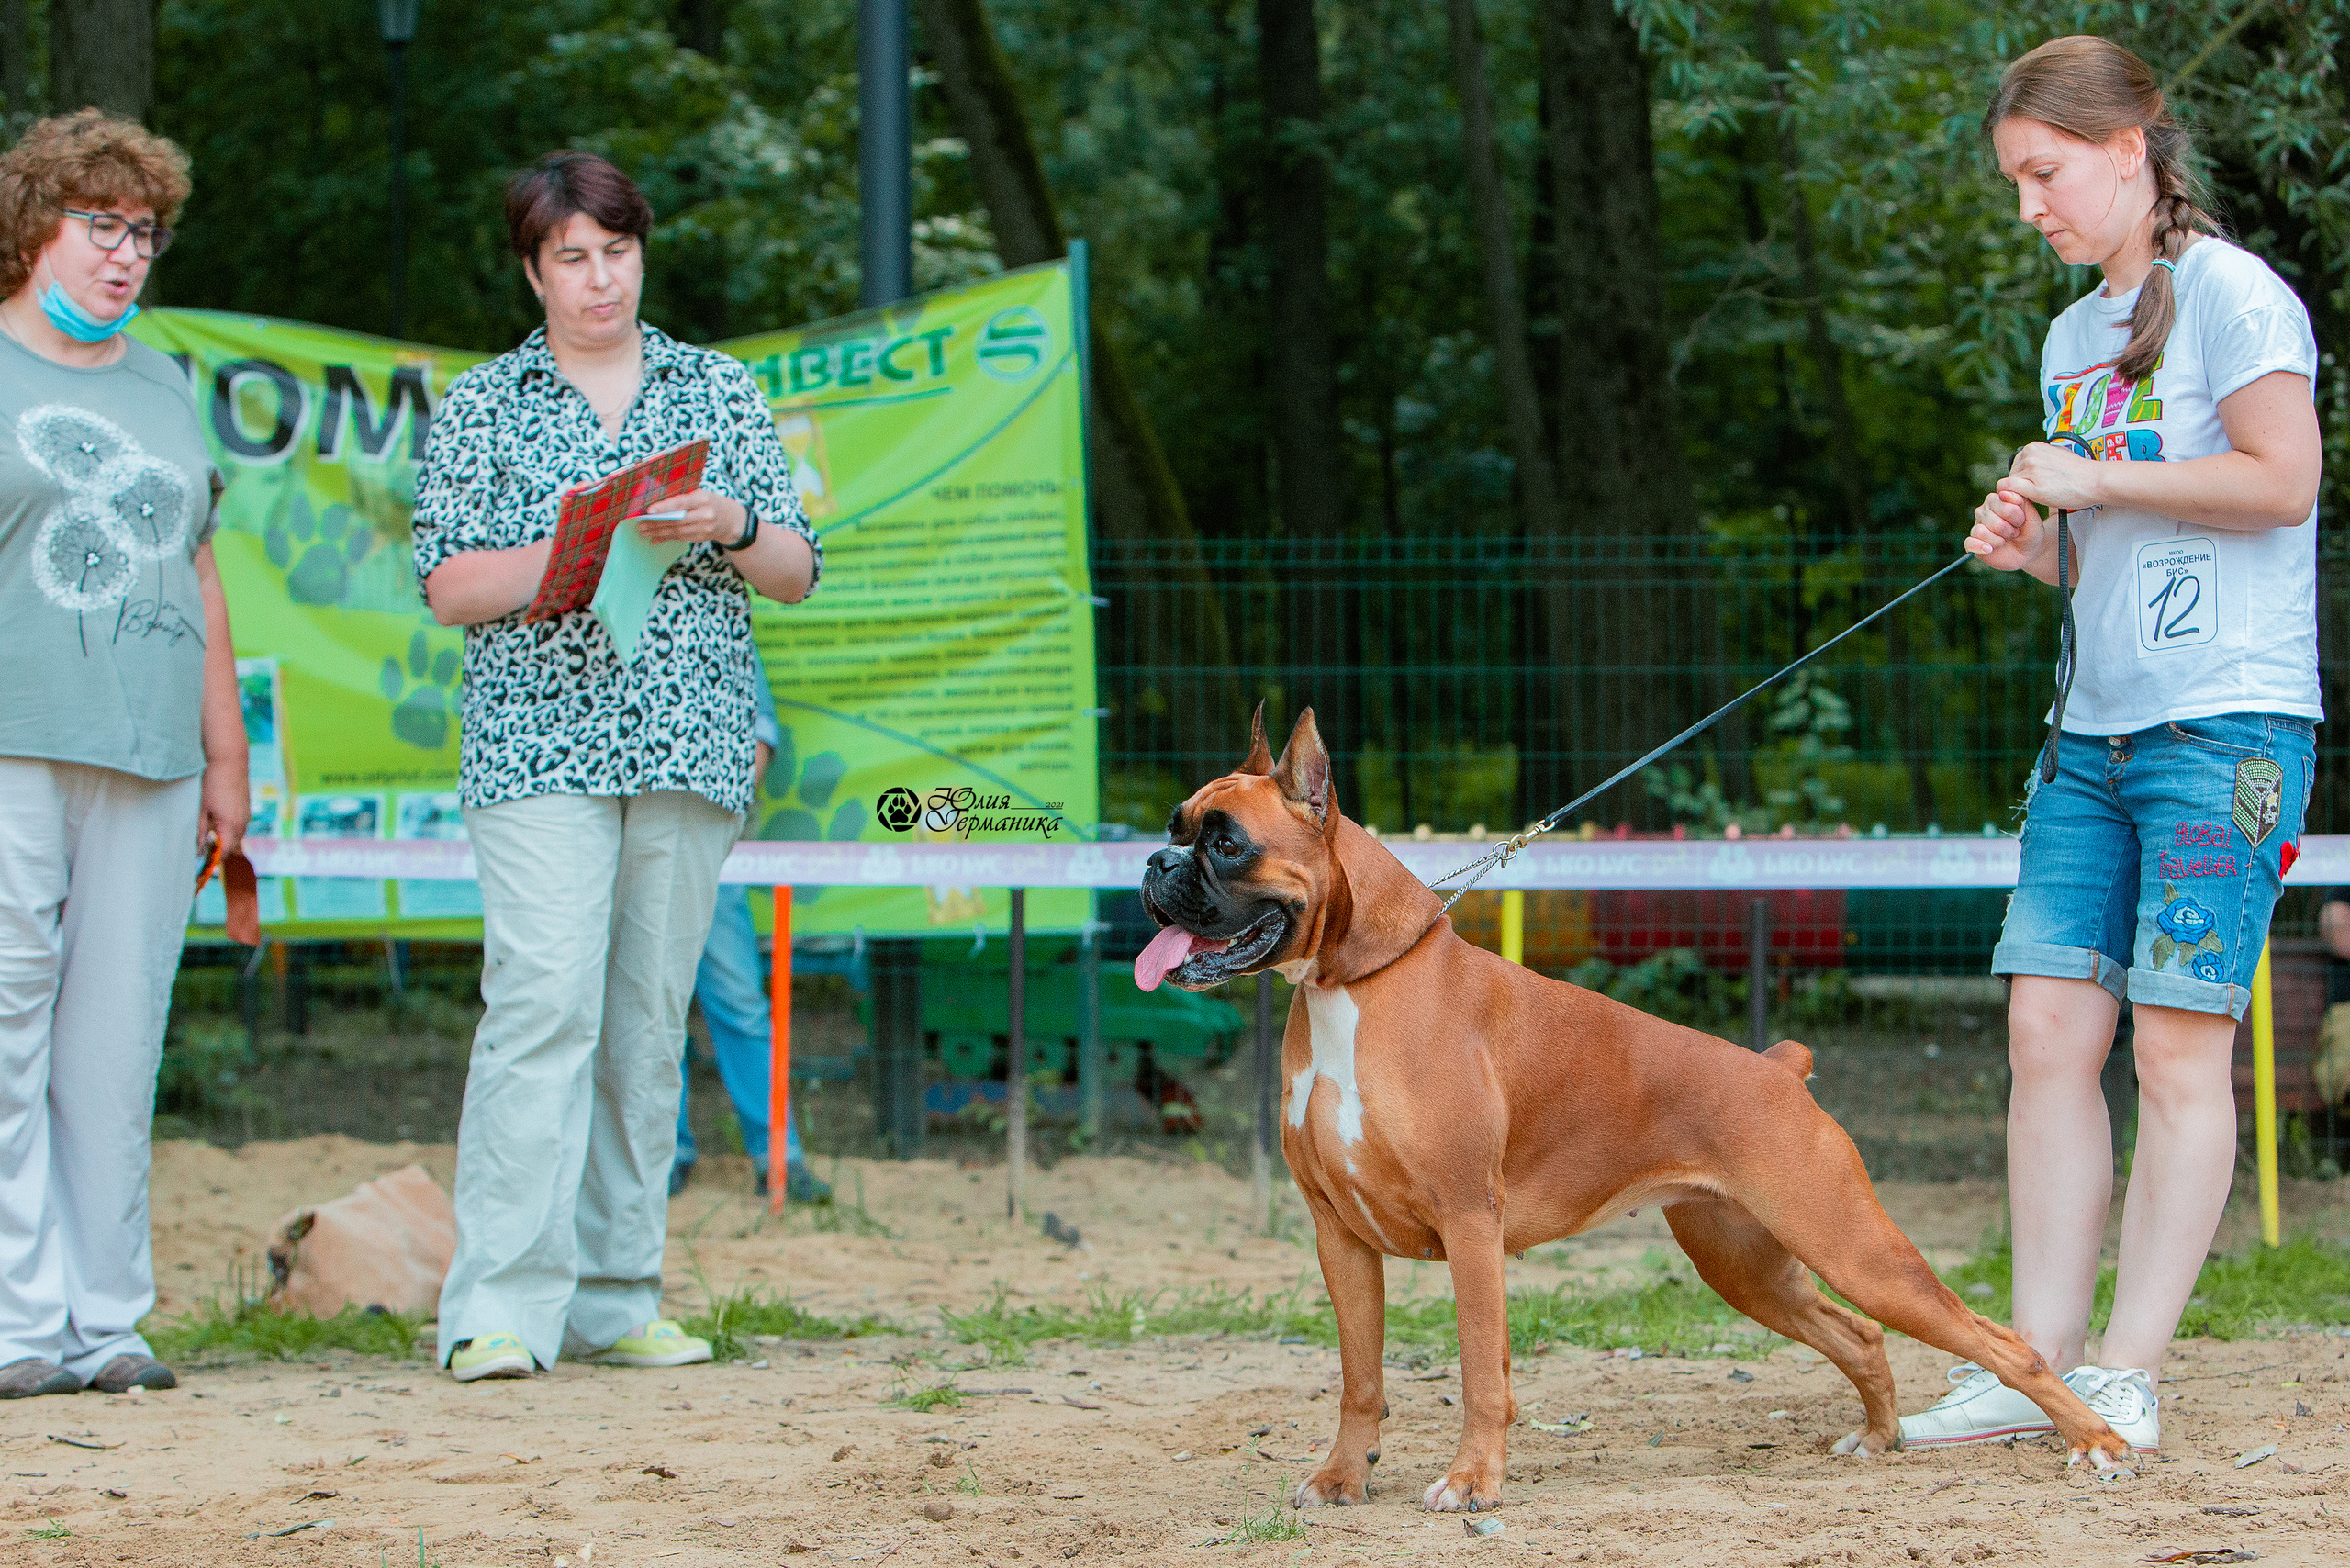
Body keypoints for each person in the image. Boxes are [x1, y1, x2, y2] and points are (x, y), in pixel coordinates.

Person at [1901, 36, 2322, 1455]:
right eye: (2016, 181)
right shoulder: (2072, 338)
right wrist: (2034, 548)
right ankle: (2036, 1368)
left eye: (2046, 173)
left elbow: (2285, 480)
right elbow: (2105, 558)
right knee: (2045, 1035)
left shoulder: (2231, 295)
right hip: (2093, 732)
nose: (2029, 206)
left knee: (2179, 1053)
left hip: (2232, 723)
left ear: (2131, 147)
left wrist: (2098, 473)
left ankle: (2129, 1373)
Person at [410, 151, 820, 1383]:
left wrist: (728, 525)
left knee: (645, 1021)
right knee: (543, 1006)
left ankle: (617, 1295)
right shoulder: (483, 404)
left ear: (643, 254)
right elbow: (446, 584)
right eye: (573, 258)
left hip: (689, 741)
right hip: (538, 744)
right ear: (533, 271)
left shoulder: (720, 387)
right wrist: (578, 545)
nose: (601, 279)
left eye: (618, 252)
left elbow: (799, 570)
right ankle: (498, 1307)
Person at [0, 111, 247, 1398]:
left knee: (113, 1046)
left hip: (153, 755)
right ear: (33, 224)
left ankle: (108, 1327)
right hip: (11, 745)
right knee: (5, 1035)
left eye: (142, 232)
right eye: (98, 226)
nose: (124, 255)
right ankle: (15, 1327)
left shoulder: (161, 381)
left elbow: (199, 572)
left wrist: (230, 756)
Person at [670, 658, 830, 1204]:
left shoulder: (721, 610)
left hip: (710, 850)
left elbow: (759, 732)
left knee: (737, 1002)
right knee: (643, 1009)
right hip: (627, 849)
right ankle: (658, 1156)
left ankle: (778, 1158)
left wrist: (712, 819)